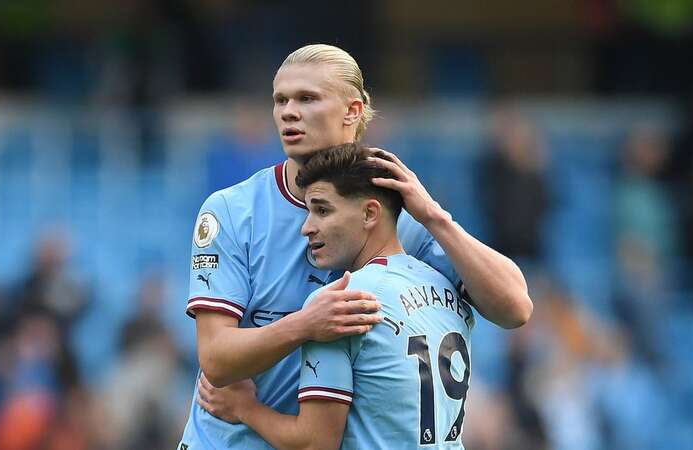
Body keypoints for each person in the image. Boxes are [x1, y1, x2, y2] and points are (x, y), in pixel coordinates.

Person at [180, 44, 532, 450]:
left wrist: (434, 216)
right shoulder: (232, 210)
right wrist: (305, 323)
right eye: (280, 100)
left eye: (307, 98)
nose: (287, 112)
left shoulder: (394, 216)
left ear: (353, 110)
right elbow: (217, 359)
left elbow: (515, 308)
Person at [198, 143, 476, 449]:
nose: (306, 228)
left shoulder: (340, 305)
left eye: (322, 210)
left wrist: (245, 409)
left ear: (370, 213)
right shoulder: (446, 287)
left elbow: (315, 443)